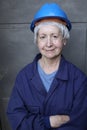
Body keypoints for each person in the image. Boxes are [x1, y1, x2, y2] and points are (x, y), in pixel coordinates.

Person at [7, 2, 87, 130]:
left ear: (64, 40)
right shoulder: (24, 77)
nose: (49, 44)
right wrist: (49, 121)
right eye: (43, 37)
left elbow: (80, 124)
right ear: (37, 41)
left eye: (55, 36)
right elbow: (17, 120)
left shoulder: (79, 80)